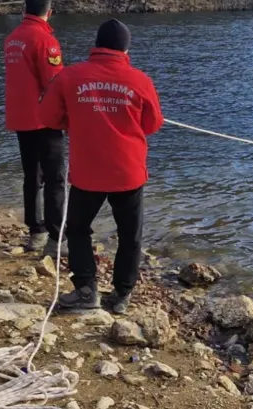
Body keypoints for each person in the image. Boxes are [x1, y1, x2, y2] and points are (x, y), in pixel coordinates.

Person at [39, 19, 164, 313]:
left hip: (88, 172)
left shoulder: (70, 76)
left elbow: (47, 117)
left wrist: (76, 119)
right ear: (126, 49)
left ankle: (86, 290)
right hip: (128, 171)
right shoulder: (140, 80)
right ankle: (121, 295)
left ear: (96, 45)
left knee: (78, 229)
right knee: (130, 235)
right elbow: (152, 124)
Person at [4, 0, 66, 255]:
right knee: (55, 179)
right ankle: (57, 237)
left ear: (23, 10)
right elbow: (54, 83)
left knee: (32, 176)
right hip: (44, 120)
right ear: (49, 12)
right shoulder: (45, 40)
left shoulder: (12, 39)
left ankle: (35, 231)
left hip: (21, 118)